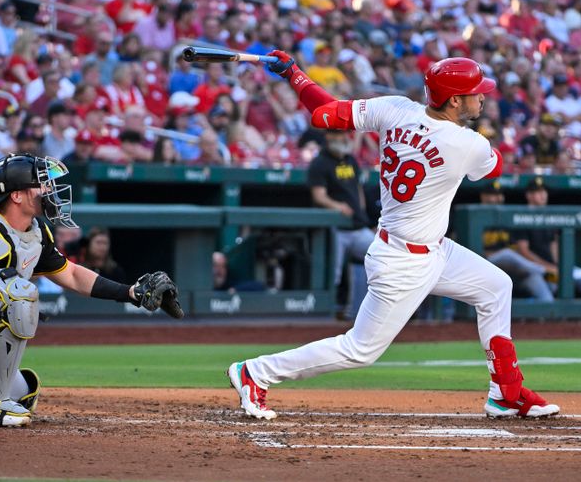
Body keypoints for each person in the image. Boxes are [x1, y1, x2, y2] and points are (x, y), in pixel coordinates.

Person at [227, 52, 559, 420]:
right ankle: (256, 371)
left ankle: (505, 392)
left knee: (496, 286)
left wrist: (293, 74)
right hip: (403, 261)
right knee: (359, 350)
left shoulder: (397, 108)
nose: (482, 98)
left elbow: (325, 113)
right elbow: (494, 167)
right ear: (454, 100)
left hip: (434, 250)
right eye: (475, 93)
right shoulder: (468, 143)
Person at [0, 154, 183, 427]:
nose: (47, 189)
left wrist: (130, 292)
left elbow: (71, 275)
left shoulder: (35, 232)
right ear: (16, 195)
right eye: (40, 183)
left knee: (21, 396)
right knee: (18, 293)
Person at [308, 128, 374, 320]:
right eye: (337, 134)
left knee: (380, 257)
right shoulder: (320, 163)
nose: (342, 138)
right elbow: (318, 196)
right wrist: (338, 206)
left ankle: (360, 312)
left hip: (357, 226)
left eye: (343, 134)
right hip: (335, 228)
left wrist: (361, 210)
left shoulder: (350, 159)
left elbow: (358, 189)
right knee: (333, 272)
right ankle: (325, 314)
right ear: (328, 138)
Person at [512, 178, 581, 298]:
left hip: (552, 269)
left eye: (544, 191)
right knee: (548, 296)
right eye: (538, 192)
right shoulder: (520, 217)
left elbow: (554, 245)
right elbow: (523, 251)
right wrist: (547, 267)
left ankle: (573, 314)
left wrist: (561, 266)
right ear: (529, 195)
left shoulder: (549, 216)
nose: (543, 195)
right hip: (532, 270)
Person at [479, 180, 554, 301]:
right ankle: (545, 270)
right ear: (483, 196)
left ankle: (550, 313)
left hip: (514, 270)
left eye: (499, 195)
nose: (497, 198)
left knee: (538, 282)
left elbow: (518, 249)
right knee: (507, 254)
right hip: (485, 266)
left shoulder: (507, 217)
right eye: (493, 195)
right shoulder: (476, 217)